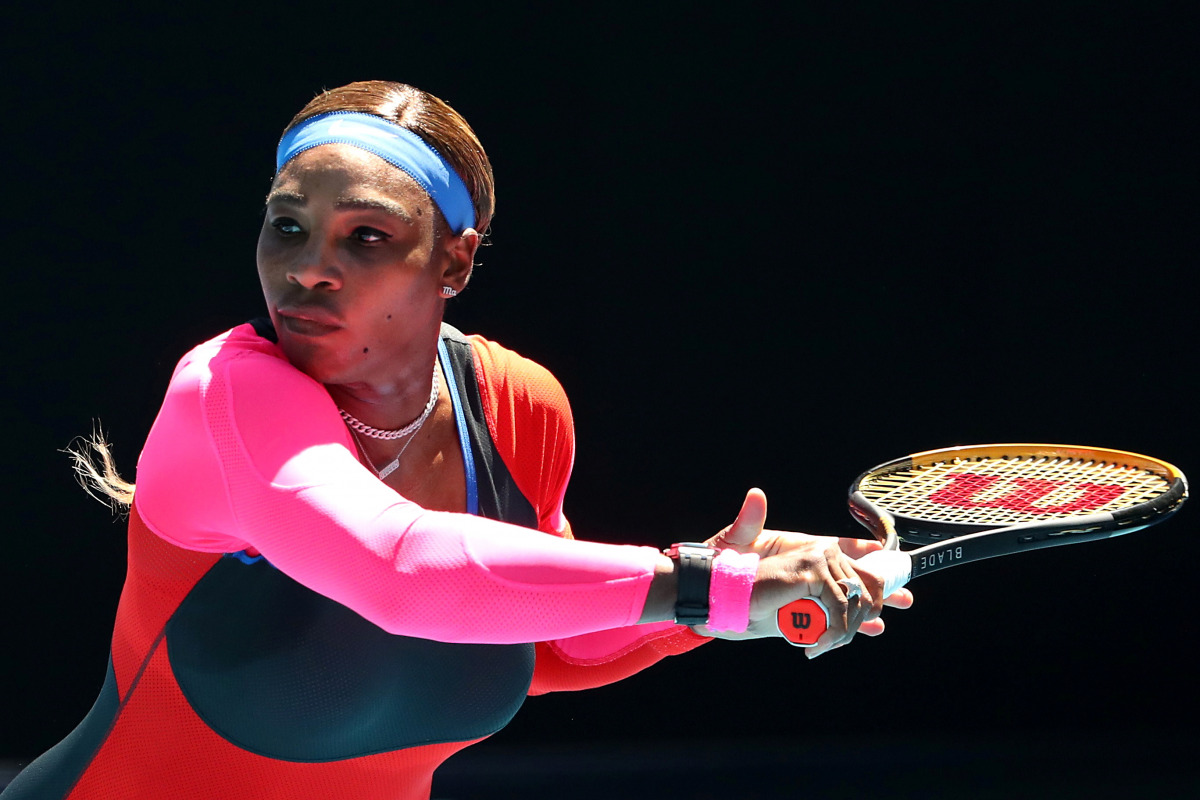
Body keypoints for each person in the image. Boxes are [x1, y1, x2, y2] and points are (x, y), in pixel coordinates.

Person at [2, 80, 912, 800]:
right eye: (287, 227)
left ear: (456, 261)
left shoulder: (517, 407)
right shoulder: (225, 394)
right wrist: (705, 592)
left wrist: (719, 580)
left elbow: (542, 647)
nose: (308, 268)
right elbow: (400, 572)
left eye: (365, 237)